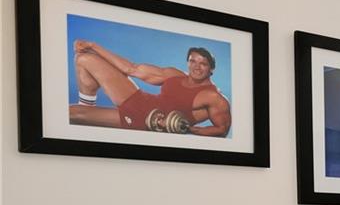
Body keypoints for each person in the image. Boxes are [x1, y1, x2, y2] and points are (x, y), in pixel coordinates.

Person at [73, 40, 231, 136]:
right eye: (192, 61)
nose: (196, 67)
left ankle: (85, 114)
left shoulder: (215, 98)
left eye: (203, 63)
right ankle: (87, 108)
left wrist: (186, 129)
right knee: (85, 58)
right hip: (139, 98)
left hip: (144, 121)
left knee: (71, 114)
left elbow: (221, 129)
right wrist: (92, 46)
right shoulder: (175, 74)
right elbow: (131, 69)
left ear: (211, 69)